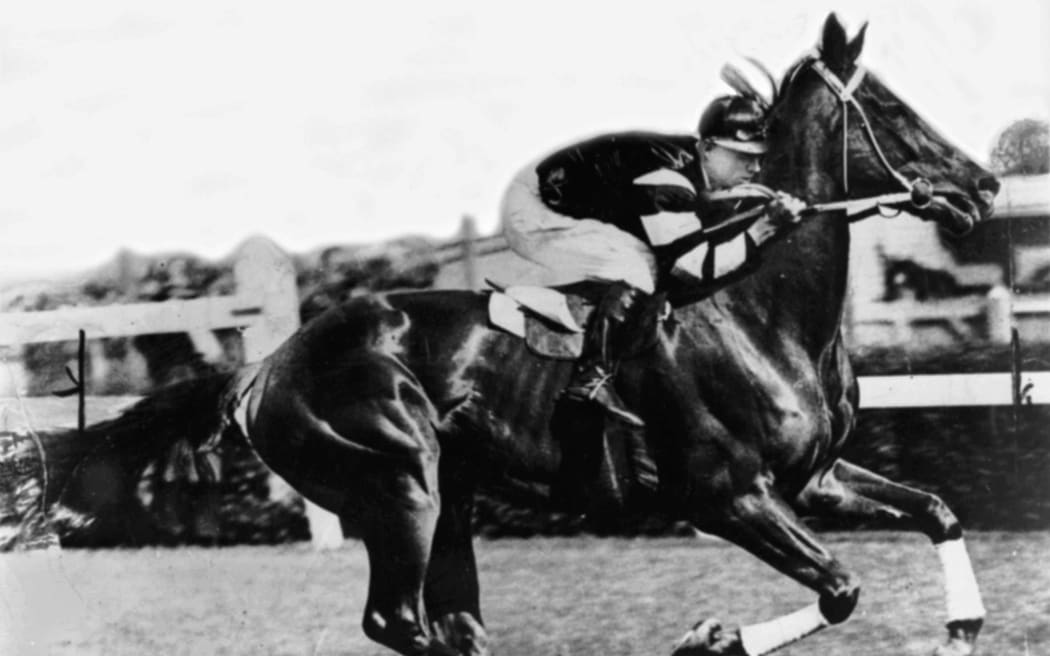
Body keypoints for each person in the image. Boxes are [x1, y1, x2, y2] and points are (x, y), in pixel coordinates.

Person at [501, 94, 806, 427]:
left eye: (759, 158)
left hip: (560, 193)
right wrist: (764, 228)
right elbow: (691, 266)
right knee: (639, 267)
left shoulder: (687, 166)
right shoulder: (666, 179)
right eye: (743, 156)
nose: (755, 168)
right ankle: (591, 378)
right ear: (707, 149)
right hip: (534, 208)